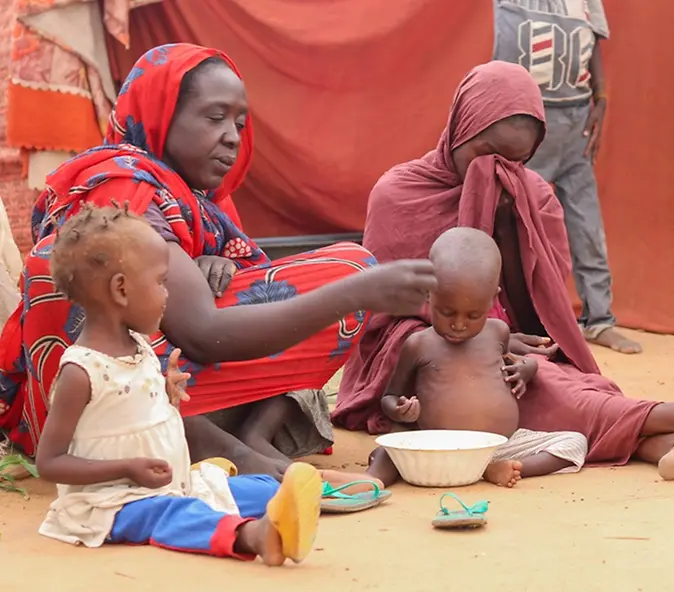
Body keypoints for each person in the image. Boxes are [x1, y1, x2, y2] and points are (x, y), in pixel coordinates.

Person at [0, 44, 437, 477]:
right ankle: (228, 450)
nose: (232, 135)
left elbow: (232, 290)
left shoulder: (198, 203)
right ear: (161, 114)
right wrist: (358, 291)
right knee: (347, 272)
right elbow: (203, 333)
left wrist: (205, 261)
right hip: (89, 413)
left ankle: (248, 438)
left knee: (303, 309)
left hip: (168, 386)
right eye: (214, 117)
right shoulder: (125, 190)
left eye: (240, 123)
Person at [334, 61, 674, 482]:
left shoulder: (535, 195)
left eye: (516, 160)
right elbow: (383, 309)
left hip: (504, 342)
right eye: (486, 156)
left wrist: (509, 226)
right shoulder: (401, 192)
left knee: (556, 383)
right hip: (422, 347)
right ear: (459, 129)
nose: (498, 171)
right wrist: (467, 328)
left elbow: (542, 312)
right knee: (500, 376)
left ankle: (667, 445)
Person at [35, 206, 320, 565]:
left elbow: (131, 415)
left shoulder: (140, 346)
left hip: (175, 484)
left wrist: (166, 396)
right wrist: (126, 468)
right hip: (115, 503)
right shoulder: (81, 371)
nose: (168, 293)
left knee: (261, 487)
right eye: (160, 282)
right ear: (121, 289)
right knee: (173, 516)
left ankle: (283, 505)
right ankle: (253, 536)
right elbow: (50, 463)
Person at [369, 227, 588, 488]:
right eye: (447, 312)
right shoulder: (419, 344)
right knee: (391, 446)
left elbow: (511, 363)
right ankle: (371, 482)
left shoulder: (498, 332)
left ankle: (502, 468)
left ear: (492, 300)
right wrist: (402, 410)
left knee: (575, 442)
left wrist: (527, 369)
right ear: (428, 292)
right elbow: (389, 398)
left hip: (501, 446)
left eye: (473, 315)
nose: (459, 324)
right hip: (439, 446)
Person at [492, 0, 640, 354]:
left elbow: (593, 45)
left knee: (587, 226)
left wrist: (601, 98)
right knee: (519, 224)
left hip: (576, 123)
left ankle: (599, 319)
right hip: (526, 119)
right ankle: (517, 318)